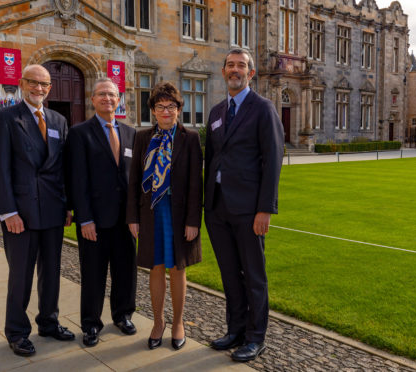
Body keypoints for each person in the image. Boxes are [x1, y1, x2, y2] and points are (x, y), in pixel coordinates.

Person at [0, 64, 75, 357]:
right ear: (22, 83)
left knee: (51, 272)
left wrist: (67, 205)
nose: (39, 89)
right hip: (20, 214)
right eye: (34, 83)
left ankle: (48, 322)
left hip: (52, 209)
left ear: (50, 89)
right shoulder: (5, 118)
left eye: (45, 85)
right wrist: (7, 211)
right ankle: (16, 331)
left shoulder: (58, 120)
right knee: (21, 275)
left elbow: (62, 168)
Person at [204, 49, 284, 362]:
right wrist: (207, 204)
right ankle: (235, 329)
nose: (235, 70)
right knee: (228, 274)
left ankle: (255, 337)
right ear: (223, 72)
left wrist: (265, 209)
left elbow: (273, 160)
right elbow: (211, 159)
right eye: (231, 65)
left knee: (253, 275)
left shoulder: (263, 109)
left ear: (250, 74)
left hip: (250, 210)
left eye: (242, 66)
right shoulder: (216, 112)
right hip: (218, 208)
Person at [127, 81, 203, 351]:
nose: (166, 111)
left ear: (179, 109)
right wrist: (132, 218)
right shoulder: (142, 138)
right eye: (161, 107)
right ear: (153, 110)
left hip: (180, 215)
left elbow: (197, 183)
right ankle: (158, 322)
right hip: (150, 214)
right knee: (156, 266)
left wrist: (194, 220)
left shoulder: (190, 138)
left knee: (177, 267)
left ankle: (178, 323)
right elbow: (134, 179)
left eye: (171, 106)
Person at [67, 78, 137, 347]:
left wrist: (136, 217)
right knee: (93, 274)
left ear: (118, 99)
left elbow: (134, 180)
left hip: (125, 220)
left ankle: (123, 315)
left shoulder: (131, 134)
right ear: (92, 99)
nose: (107, 98)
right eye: (102, 94)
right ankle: (91, 324)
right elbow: (77, 179)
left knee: (126, 271)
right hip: (93, 220)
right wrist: (84, 218)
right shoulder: (80, 133)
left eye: (112, 94)